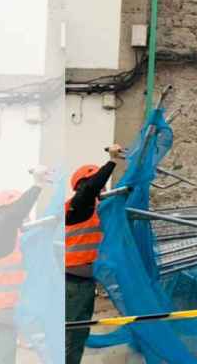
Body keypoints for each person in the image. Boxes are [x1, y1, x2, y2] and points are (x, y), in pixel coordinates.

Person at [65, 144, 125, 364]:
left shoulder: (93, 209)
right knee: (72, 334)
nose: (102, 190)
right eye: (99, 185)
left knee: (78, 333)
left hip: (83, 282)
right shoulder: (79, 206)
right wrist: (112, 161)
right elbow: (90, 189)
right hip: (72, 283)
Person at [0, 171, 47, 362]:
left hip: (3, 320)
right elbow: (10, 218)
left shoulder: (9, 241)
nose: (24, 218)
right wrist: (37, 185)